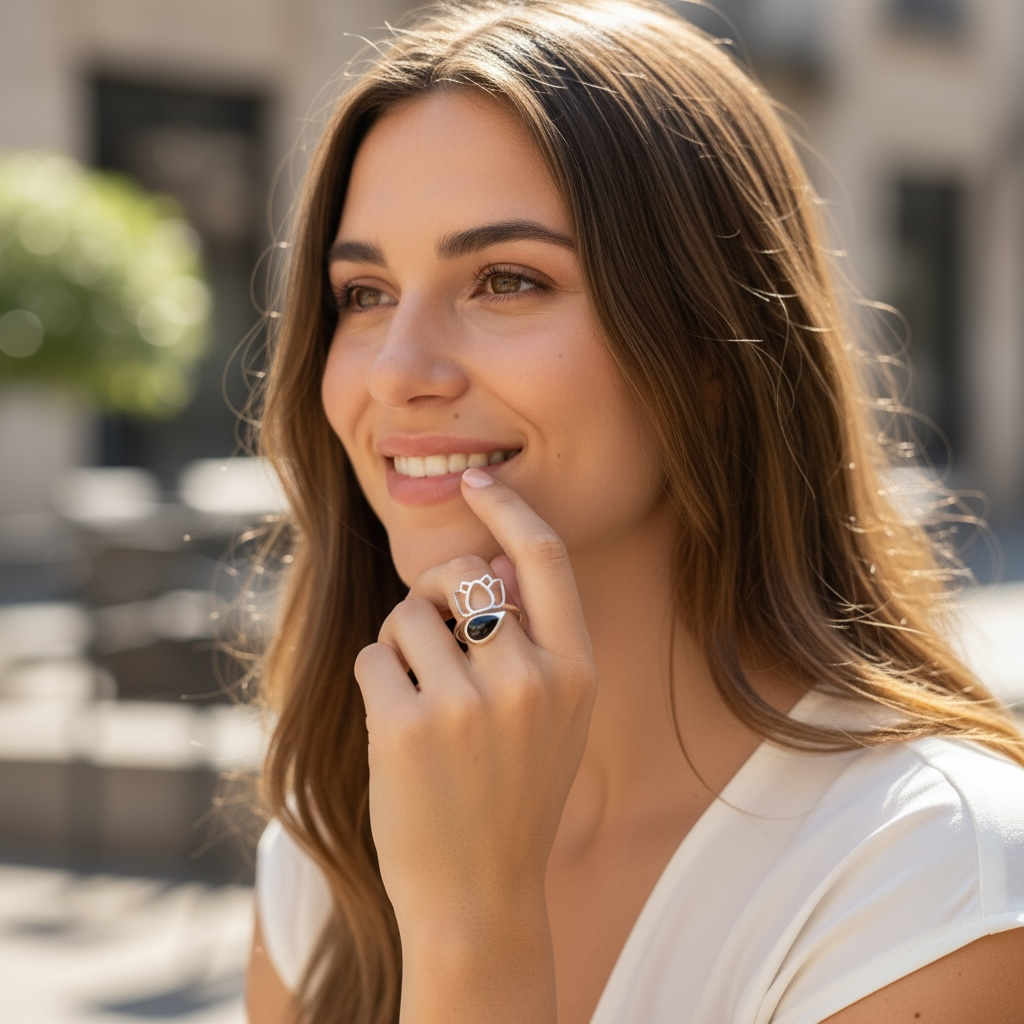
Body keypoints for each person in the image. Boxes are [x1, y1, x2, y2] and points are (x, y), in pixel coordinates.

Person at [244, 2, 1024, 1022]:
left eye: (506, 279)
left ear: (710, 350)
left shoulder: (929, 877)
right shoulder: (334, 834)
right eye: (362, 293)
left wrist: (471, 929)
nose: (397, 372)